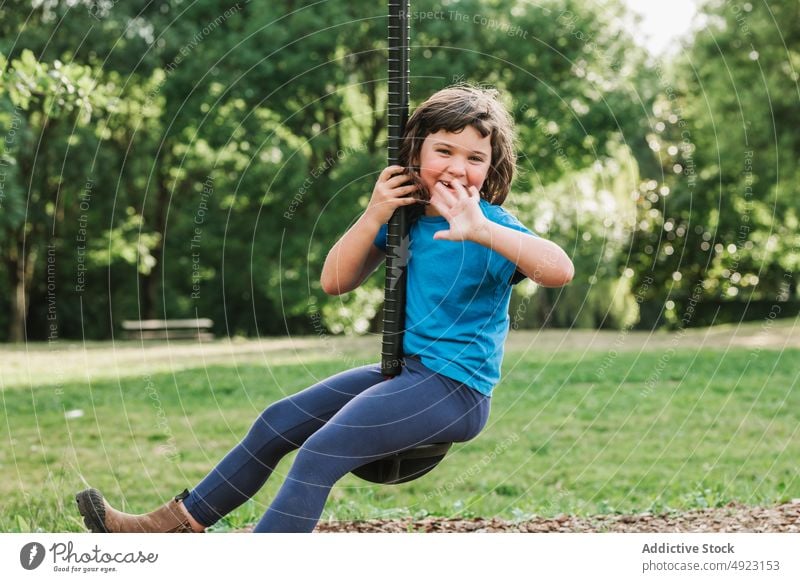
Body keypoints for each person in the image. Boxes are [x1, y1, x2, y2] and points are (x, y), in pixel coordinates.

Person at [75, 85, 574, 534]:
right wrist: (375, 211)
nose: (457, 167)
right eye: (443, 150)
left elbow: (558, 268)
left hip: (456, 389)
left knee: (321, 452)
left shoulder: (492, 225)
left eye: (474, 158)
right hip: (407, 373)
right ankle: (172, 527)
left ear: (490, 168)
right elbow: (335, 281)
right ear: (415, 152)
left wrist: (482, 229)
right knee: (277, 422)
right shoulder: (403, 219)